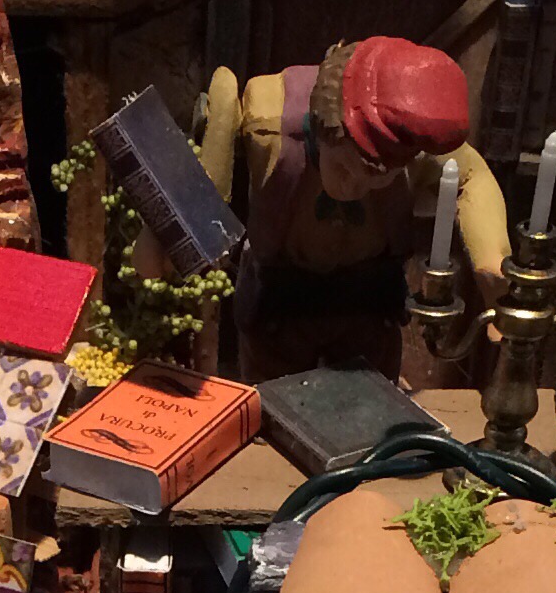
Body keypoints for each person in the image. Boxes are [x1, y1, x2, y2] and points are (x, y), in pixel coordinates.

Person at [197, 37, 510, 378]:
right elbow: (208, 169)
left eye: (374, 180)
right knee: (272, 397)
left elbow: (470, 174)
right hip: (281, 304)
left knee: (372, 398)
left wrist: (491, 262)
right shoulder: (268, 127)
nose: (352, 188)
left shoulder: (411, 149)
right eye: (343, 169)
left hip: (367, 304)